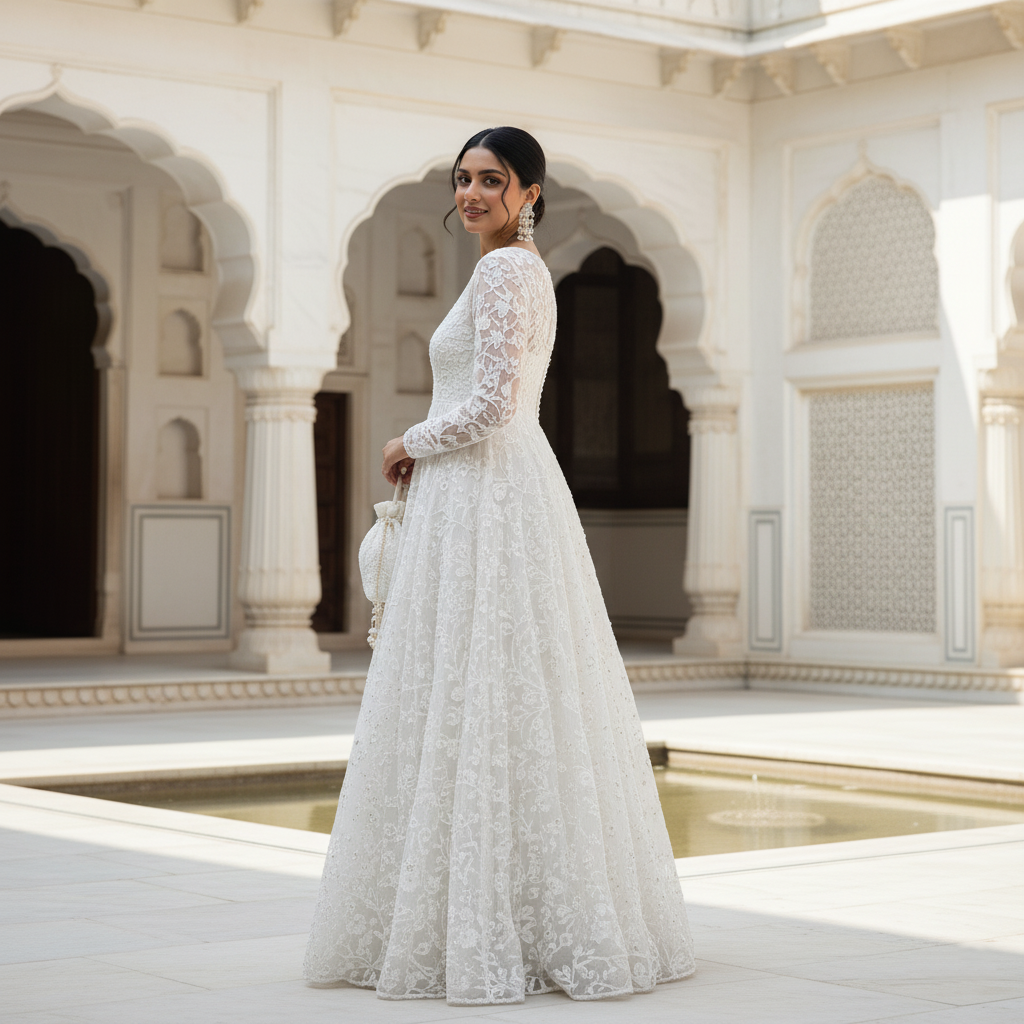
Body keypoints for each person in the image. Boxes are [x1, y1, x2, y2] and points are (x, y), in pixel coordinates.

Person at [303, 127, 695, 1005]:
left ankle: (497, 921)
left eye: (493, 180)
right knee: (495, 695)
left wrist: (411, 439)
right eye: (464, 178)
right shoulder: (511, 272)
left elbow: (494, 404)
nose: (473, 192)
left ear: (531, 195)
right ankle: (503, 908)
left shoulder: (507, 271)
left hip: (487, 493)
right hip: (484, 494)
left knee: (482, 691)